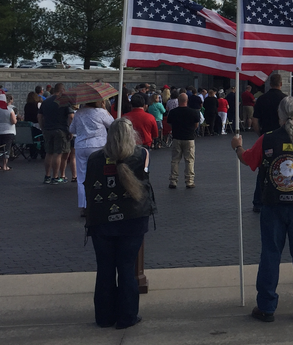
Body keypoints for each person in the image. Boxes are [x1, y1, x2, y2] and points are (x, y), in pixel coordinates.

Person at [231, 96, 293, 323]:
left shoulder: (267, 139)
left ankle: (266, 306)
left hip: (273, 205)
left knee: (270, 255)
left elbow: (248, 160)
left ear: (280, 115)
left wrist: (237, 147)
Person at [84, 118, 156, 330]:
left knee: (105, 268)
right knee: (126, 267)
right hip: (132, 218)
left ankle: (104, 316)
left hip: (101, 219)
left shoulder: (95, 158)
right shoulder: (141, 154)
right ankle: (127, 316)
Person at [71, 100, 115, 216]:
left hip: (81, 146)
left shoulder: (79, 113)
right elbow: (112, 124)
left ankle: (84, 206)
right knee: (99, 174)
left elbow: (72, 129)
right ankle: (99, 202)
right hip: (98, 145)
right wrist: (105, 109)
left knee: (82, 177)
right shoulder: (100, 112)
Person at [252, 74, 287, 211]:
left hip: (266, 138)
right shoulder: (285, 99)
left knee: (263, 168)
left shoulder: (262, 99)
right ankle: (281, 198)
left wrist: (260, 134)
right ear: (281, 83)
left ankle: (258, 201)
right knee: (284, 167)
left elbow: (255, 121)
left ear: (270, 83)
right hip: (283, 138)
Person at [39, 84, 73, 184]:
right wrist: (71, 130)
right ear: (62, 90)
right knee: (58, 154)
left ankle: (47, 176)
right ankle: (55, 177)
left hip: (48, 129)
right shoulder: (64, 101)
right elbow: (71, 116)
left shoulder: (46, 101)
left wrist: (43, 128)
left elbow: (40, 116)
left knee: (49, 153)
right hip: (61, 130)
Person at [167, 93, 201, 190]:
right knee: (189, 160)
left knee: (175, 160)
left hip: (176, 138)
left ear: (178, 100)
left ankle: (173, 181)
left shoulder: (173, 112)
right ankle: (189, 181)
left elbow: (170, 124)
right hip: (189, 138)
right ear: (187, 100)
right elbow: (196, 125)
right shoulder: (193, 112)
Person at [0, 94, 17, 171]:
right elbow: (13, 121)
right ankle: (5, 165)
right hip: (8, 131)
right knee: (6, 149)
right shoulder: (10, 110)